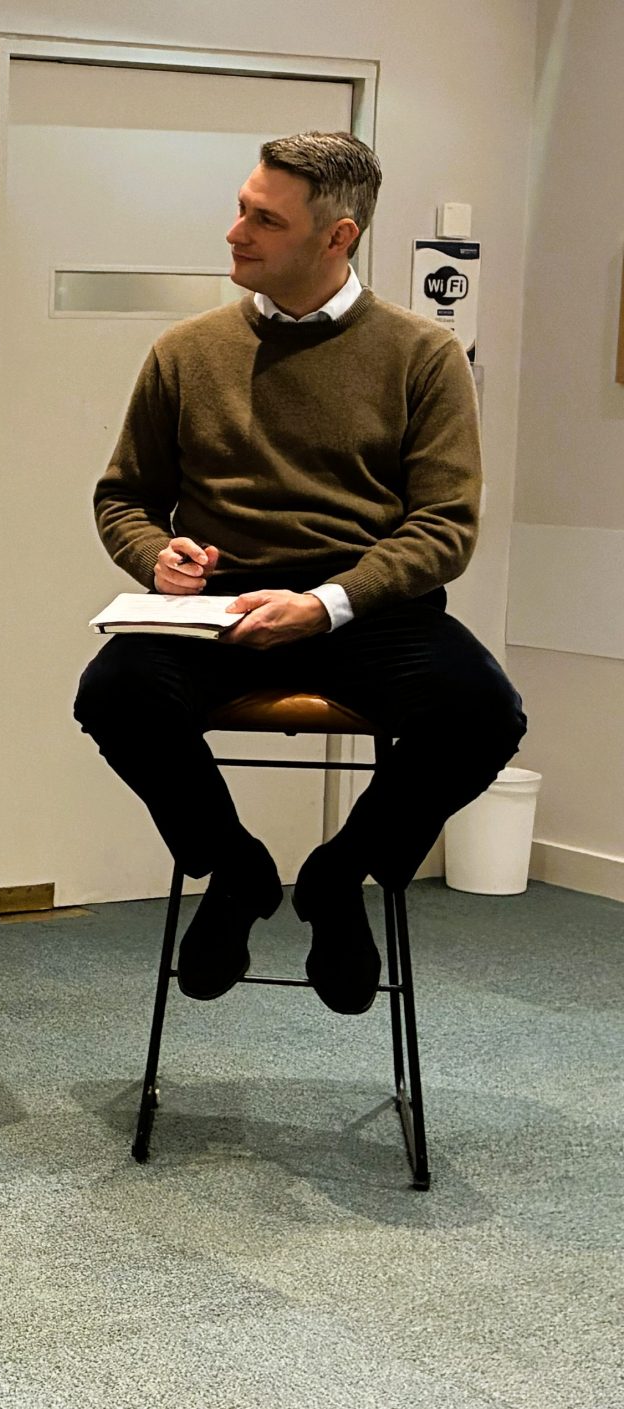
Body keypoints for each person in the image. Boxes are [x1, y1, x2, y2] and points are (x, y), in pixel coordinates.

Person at [74, 131, 525, 1014]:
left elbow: (445, 528)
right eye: (242, 206)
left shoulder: (421, 356)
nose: (234, 231)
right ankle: (236, 871)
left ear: (337, 237)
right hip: (220, 605)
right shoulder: (184, 351)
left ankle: (340, 878)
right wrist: (153, 556)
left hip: (366, 607)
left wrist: (326, 604)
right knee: (114, 693)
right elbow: (122, 497)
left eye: (263, 219)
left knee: (483, 713)